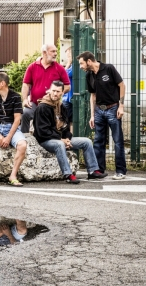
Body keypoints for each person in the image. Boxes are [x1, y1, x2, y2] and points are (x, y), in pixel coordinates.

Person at [33, 80, 107, 184]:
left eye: (58, 91)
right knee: (59, 145)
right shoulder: (42, 107)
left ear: (62, 93)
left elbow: (66, 126)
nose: (55, 93)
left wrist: (67, 139)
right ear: (49, 91)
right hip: (46, 140)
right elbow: (42, 131)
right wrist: (61, 140)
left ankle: (93, 171)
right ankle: (68, 174)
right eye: (53, 91)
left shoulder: (61, 106)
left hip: (61, 139)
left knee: (86, 142)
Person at [78, 51, 127, 180]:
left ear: (89, 61)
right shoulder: (89, 75)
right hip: (99, 110)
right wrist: (92, 115)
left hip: (113, 108)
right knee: (98, 141)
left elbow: (122, 85)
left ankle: (120, 171)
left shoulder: (109, 68)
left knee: (117, 141)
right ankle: (99, 170)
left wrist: (121, 106)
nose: (81, 66)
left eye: (81, 63)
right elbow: (92, 96)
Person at [20, 44, 70, 133]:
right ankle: (25, 139)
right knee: (25, 114)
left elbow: (67, 86)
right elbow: (26, 85)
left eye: (56, 51)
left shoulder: (59, 68)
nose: (55, 54)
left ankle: (55, 140)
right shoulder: (32, 67)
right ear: (44, 52)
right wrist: (24, 100)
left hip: (52, 105)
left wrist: (57, 93)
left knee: (52, 122)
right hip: (35, 103)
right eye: (53, 51)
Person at [62, 47, 74, 133]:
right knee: (65, 118)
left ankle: (72, 136)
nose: (68, 58)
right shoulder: (70, 66)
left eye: (69, 56)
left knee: (72, 119)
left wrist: (68, 63)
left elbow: (65, 74)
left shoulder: (75, 66)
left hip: (72, 96)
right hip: (66, 97)